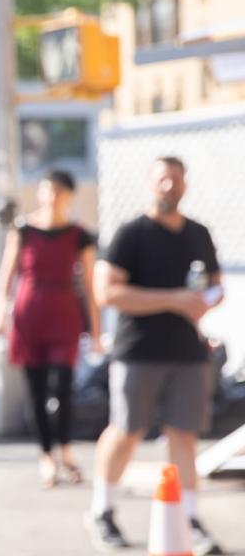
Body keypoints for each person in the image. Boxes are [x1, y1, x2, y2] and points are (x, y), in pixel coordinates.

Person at [86, 157, 223, 554]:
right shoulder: (132, 234)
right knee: (127, 430)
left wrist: (203, 302)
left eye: (176, 179)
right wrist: (173, 300)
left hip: (187, 351)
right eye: (162, 179)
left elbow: (215, 286)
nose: (169, 186)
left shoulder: (198, 234)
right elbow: (107, 292)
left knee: (184, 434)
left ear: (185, 185)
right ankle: (103, 509)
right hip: (139, 351)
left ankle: (189, 517)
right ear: (150, 183)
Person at [0, 169, 100, 488]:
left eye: (57, 191)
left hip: (65, 313)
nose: (51, 197)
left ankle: (66, 451)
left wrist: (95, 330)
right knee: (35, 389)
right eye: (46, 190)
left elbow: (90, 285)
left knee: (64, 387)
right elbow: (5, 278)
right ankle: (46, 457)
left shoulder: (80, 234)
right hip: (29, 313)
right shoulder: (22, 230)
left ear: (68, 196)